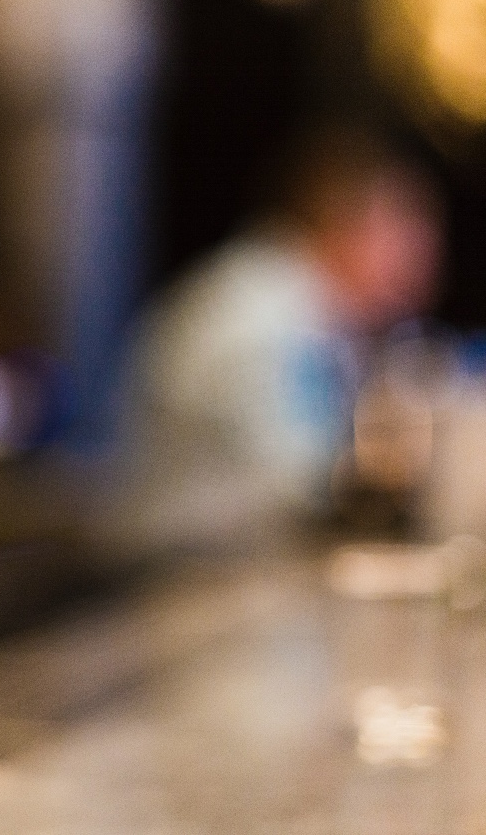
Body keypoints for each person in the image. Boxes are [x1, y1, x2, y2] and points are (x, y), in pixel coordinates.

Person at [124, 126, 442, 549]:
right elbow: (306, 484)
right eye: (407, 222)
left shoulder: (285, 297)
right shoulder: (267, 313)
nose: (426, 252)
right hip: (177, 574)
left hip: (210, 560)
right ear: (348, 224)